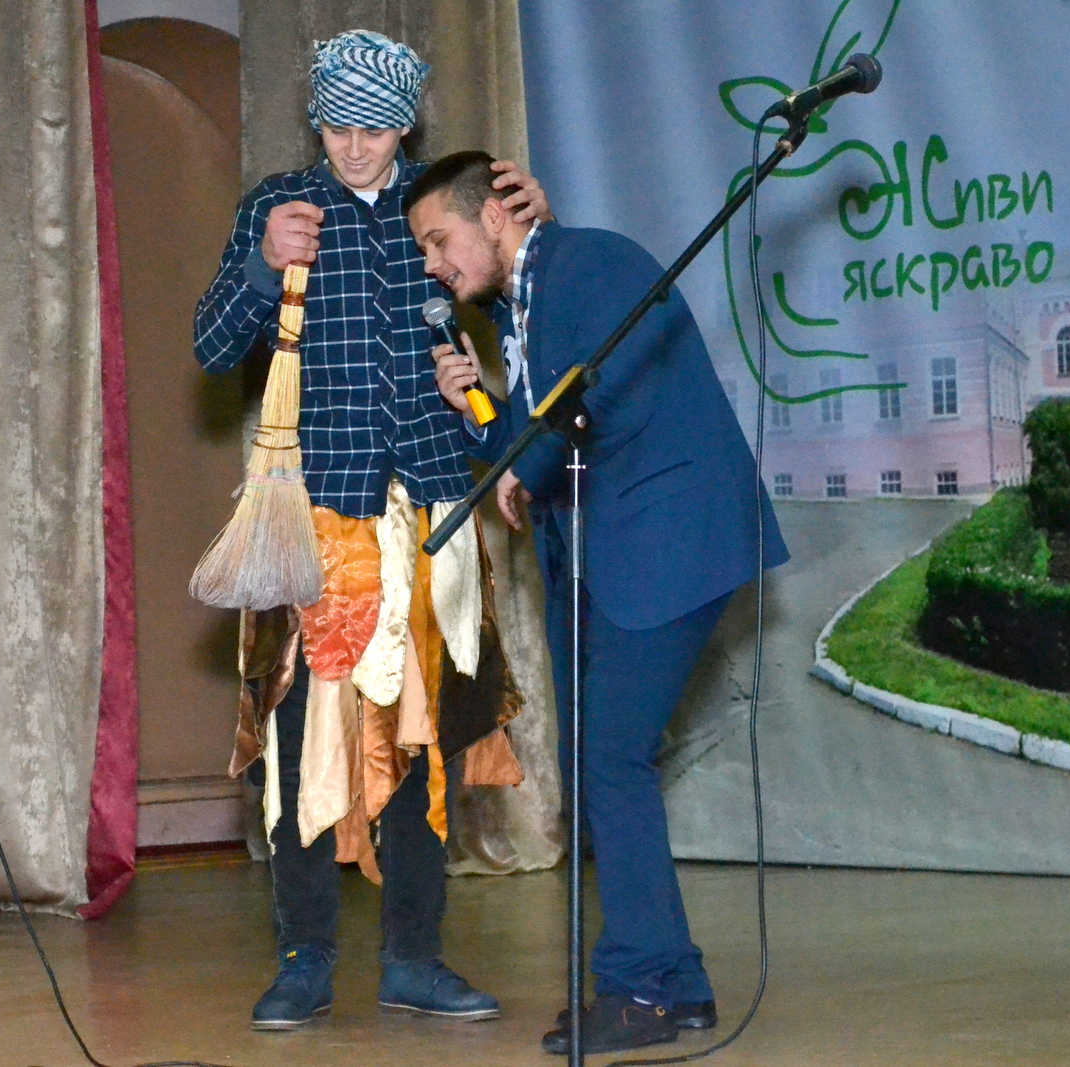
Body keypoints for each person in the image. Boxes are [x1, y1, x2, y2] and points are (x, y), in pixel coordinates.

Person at [193, 33, 547, 1032]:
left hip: (430, 507)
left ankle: (414, 958)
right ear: (317, 121)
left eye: (376, 129)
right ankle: (303, 958)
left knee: (423, 743)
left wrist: (526, 246)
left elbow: (524, 326)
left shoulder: (434, 210)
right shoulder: (278, 205)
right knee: (300, 741)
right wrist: (263, 266)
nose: (355, 147)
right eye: (338, 126)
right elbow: (211, 345)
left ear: (406, 127)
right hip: (313, 521)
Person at [404, 151, 789, 1055]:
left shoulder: (593, 264)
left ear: (493, 217)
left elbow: (606, 391)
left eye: (438, 240)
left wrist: (529, 458)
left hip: (669, 539)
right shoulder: (522, 305)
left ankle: (639, 989)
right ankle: (677, 984)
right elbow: (534, 433)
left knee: (609, 755)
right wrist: (478, 409)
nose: (433, 265)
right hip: (606, 551)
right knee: (600, 760)